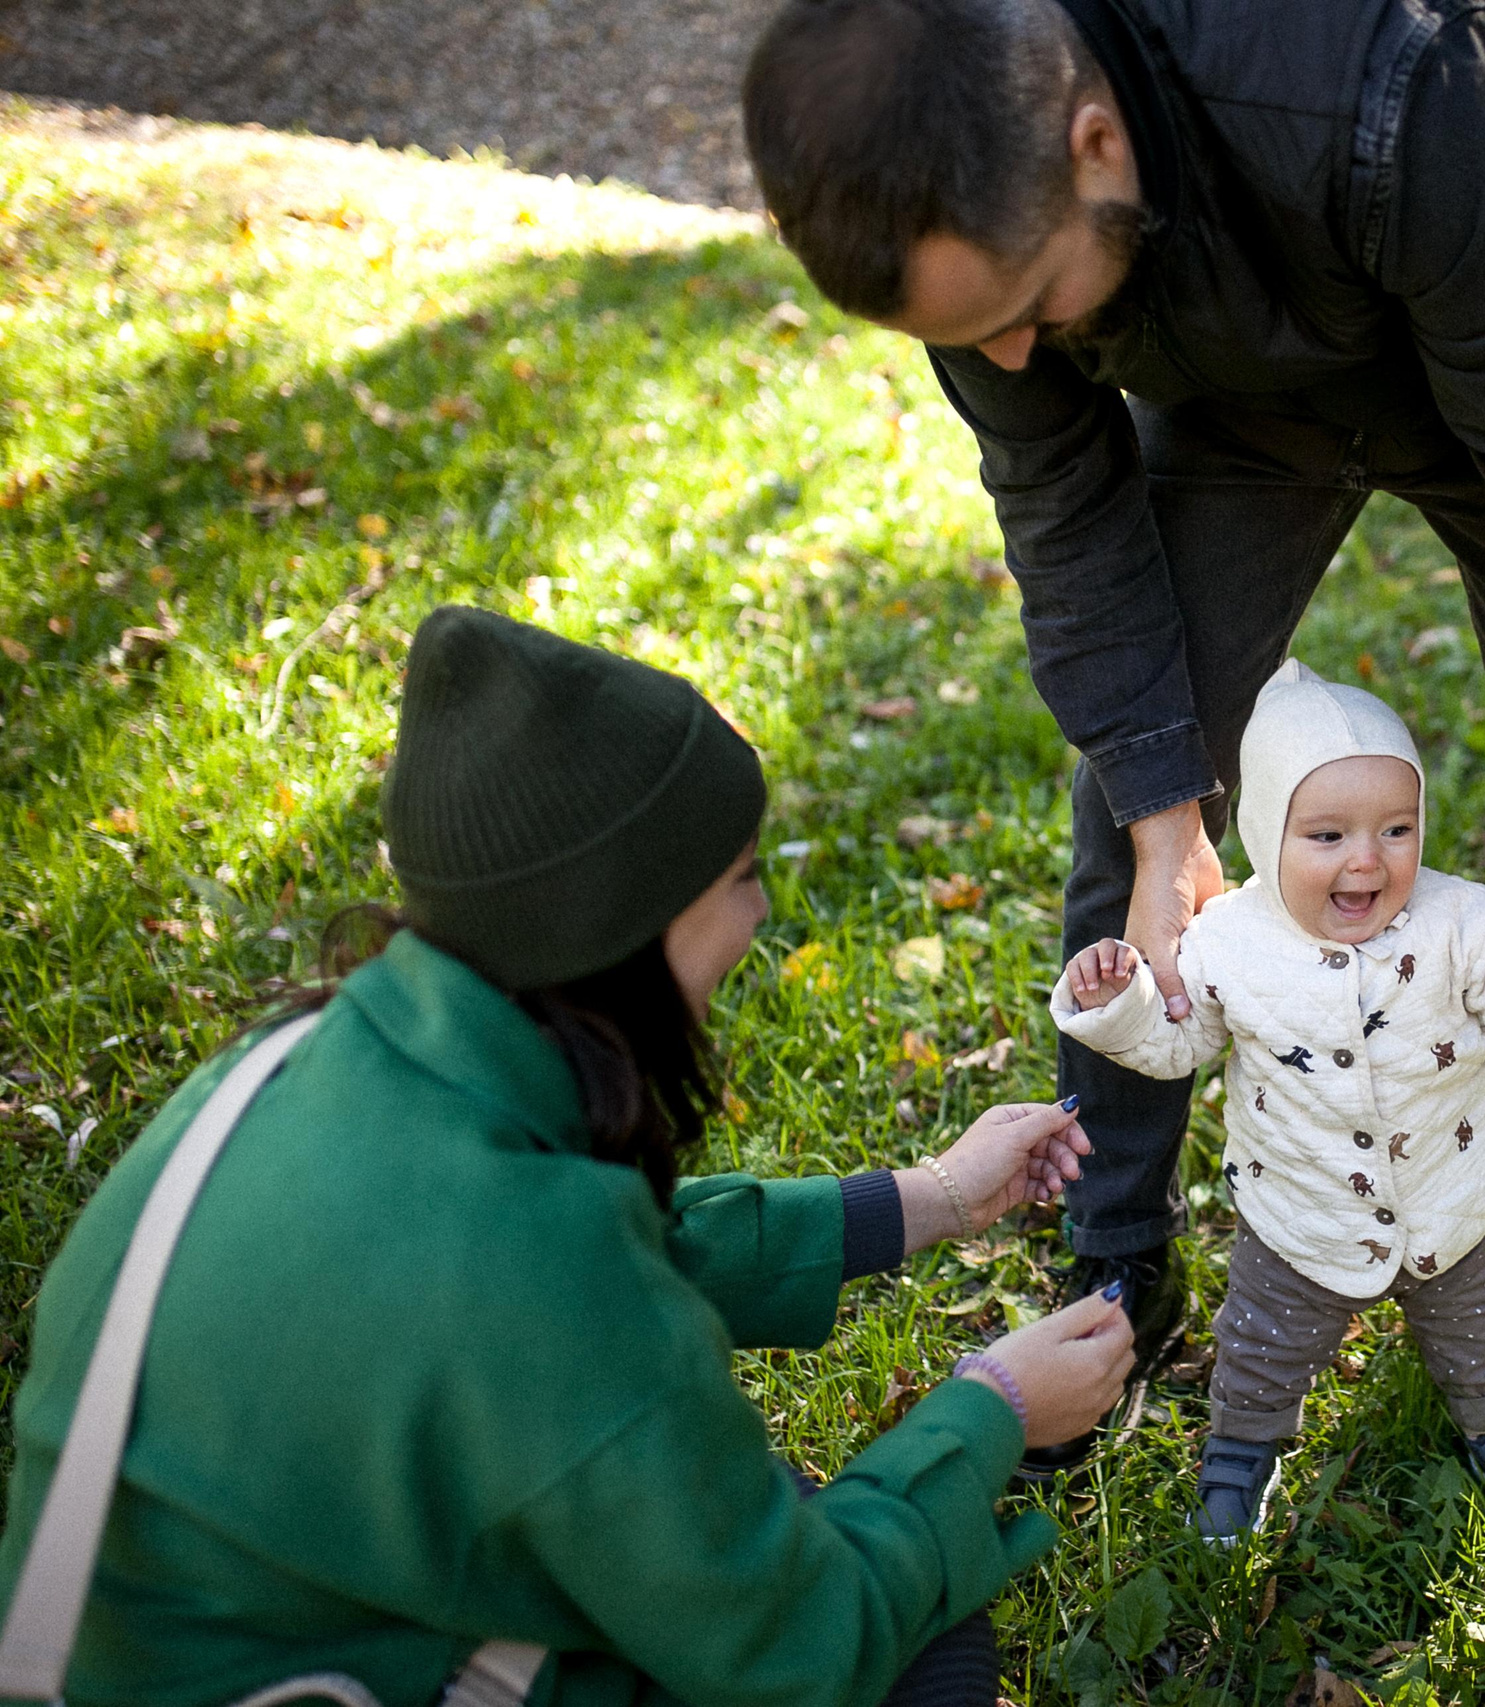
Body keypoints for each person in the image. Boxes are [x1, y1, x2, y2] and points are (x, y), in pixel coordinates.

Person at [743, 0, 1485, 1478]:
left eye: (1023, 305)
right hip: (1243, 405)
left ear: (1097, 141)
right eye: (962, 335)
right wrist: (1164, 821)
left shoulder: (1413, 76)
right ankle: (1117, 1253)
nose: (1005, 352)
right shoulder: (972, 197)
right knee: (1132, 796)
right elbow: (1064, 506)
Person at [0, 607, 1133, 1706]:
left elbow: (592, 1271)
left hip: (196, 1634)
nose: (764, 908)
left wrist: (928, 1200)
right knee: (914, 1628)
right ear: (623, 933)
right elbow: (806, 1640)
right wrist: (991, 1407)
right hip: (330, 1664)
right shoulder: (526, 1266)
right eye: (740, 876)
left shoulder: (320, 1055)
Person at [1053, 664, 1485, 1541]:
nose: (1367, 859)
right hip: (1299, 1209)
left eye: (1396, 829)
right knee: (1262, 1345)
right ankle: (1241, 1446)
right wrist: (1120, 1005)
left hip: (1457, 1195)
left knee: (1484, 1332)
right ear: (1265, 834)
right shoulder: (1229, 940)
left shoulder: (1460, 919)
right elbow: (1176, 1042)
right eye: (1327, 834)